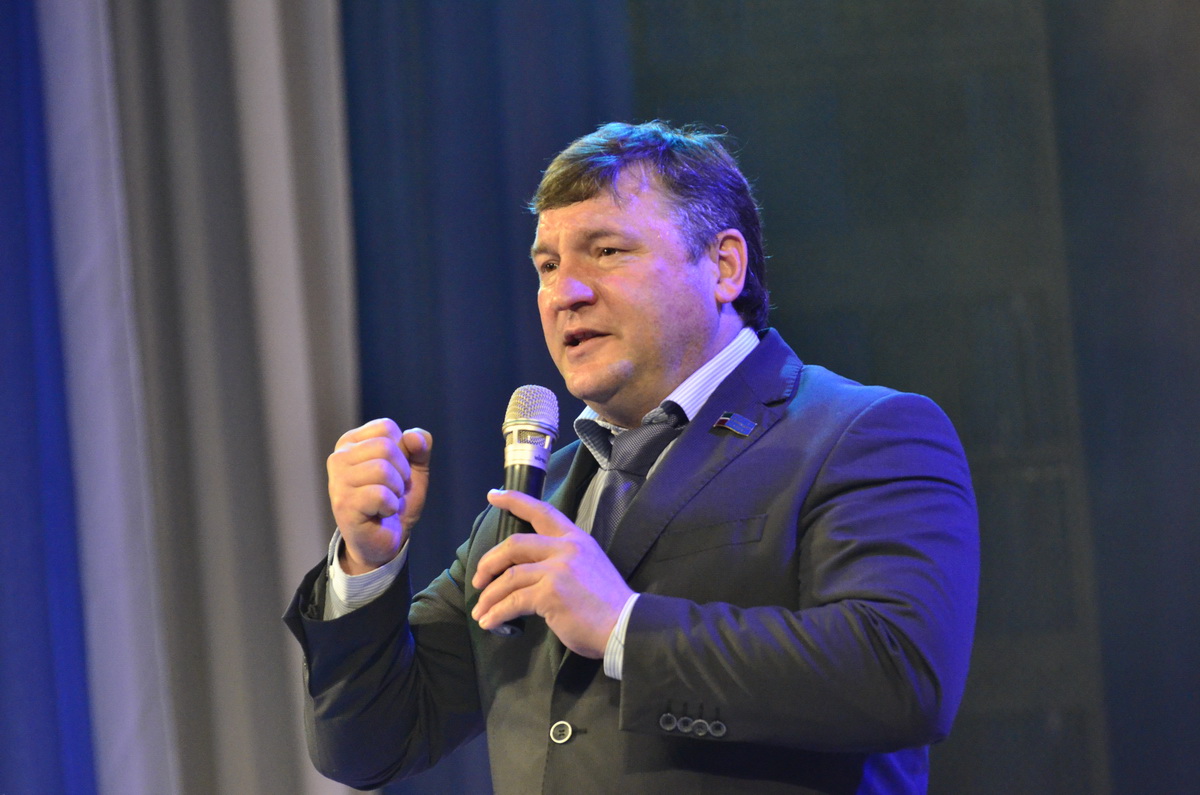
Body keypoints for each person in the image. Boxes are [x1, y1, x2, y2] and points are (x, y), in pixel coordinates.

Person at [284, 121, 979, 794]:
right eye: (547, 266)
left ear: (724, 266)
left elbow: (899, 675)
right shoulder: (537, 500)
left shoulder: (860, 432)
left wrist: (622, 624)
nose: (565, 293)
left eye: (607, 251)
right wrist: (367, 567)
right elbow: (369, 745)